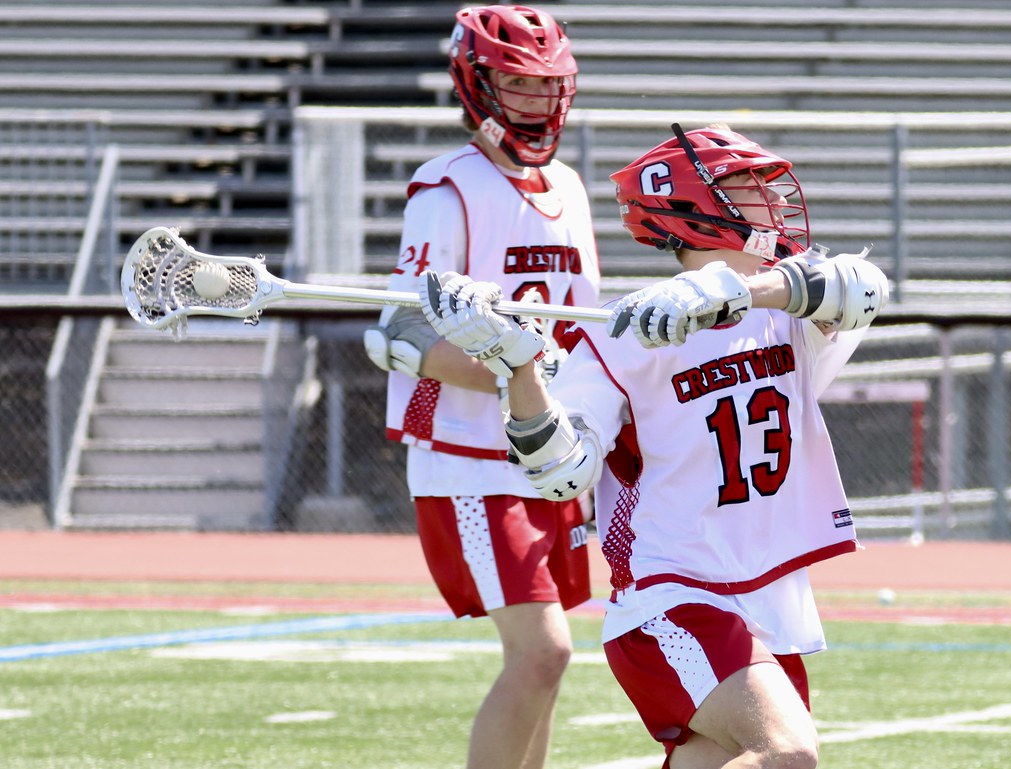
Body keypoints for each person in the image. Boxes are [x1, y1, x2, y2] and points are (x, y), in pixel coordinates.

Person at [417, 123, 889, 768]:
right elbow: (559, 473)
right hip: (673, 595)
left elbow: (866, 284)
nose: (775, 199)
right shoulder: (626, 330)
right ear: (696, 205)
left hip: (766, 592)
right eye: (749, 184)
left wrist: (734, 291)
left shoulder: (789, 303)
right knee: (788, 755)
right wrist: (519, 366)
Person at [362, 6, 600, 769]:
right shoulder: (447, 190)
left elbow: (581, 325)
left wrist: (562, 381)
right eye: (517, 83)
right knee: (543, 651)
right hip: (470, 456)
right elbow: (401, 336)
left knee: (546, 667)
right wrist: (514, 365)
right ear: (477, 85)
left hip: (549, 452)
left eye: (547, 84)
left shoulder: (569, 187)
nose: (536, 100)